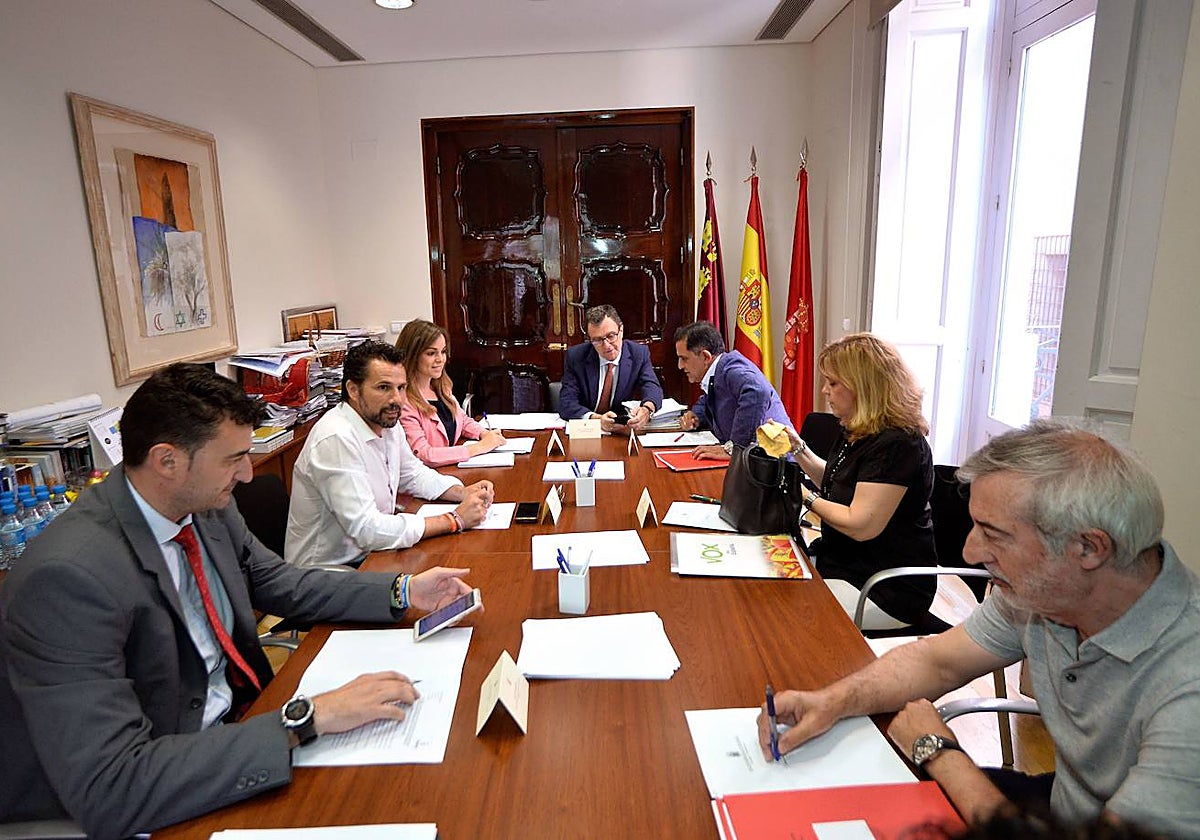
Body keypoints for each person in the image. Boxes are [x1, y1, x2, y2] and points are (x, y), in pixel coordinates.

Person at [0, 364, 474, 839]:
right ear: (168, 461)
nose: (248, 474)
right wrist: (308, 719)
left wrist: (404, 590)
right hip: (162, 786)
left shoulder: (203, 508)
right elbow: (114, 785)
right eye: (234, 459)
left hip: (241, 730)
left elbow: (282, 584)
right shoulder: (67, 579)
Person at [758, 419, 1200, 839]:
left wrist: (938, 751)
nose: (969, 552)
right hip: (1066, 804)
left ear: (1087, 547)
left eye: (994, 533)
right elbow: (937, 661)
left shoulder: (1188, 689)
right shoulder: (1048, 596)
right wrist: (832, 701)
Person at [285, 341, 495, 567]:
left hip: (372, 554)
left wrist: (461, 492)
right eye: (384, 387)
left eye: (401, 388)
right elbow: (367, 529)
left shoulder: (387, 423)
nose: (397, 400)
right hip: (330, 572)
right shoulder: (336, 438)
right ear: (353, 390)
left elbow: (412, 474)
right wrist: (453, 520)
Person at [783, 332, 937, 627]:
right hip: (843, 564)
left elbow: (860, 524)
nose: (825, 391)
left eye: (833, 383)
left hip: (885, 587)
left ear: (863, 387)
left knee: (788, 611)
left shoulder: (899, 444)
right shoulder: (858, 427)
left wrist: (803, 494)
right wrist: (798, 449)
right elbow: (839, 480)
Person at [674, 320, 792, 460]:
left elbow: (758, 391)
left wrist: (734, 448)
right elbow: (710, 397)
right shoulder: (718, 371)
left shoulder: (731, 370)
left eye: (684, 359)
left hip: (774, 466)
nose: (680, 366)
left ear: (705, 356)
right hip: (755, 464)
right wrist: (697, 416)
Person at [396, 319, 506, 467]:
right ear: (412, 355)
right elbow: (424, 455)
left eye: (443, 352)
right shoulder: (403, 402)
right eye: (431, 353)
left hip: (451, 471)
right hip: (426, 480)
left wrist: (483, 433)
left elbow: (462, 420)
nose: (440, 359)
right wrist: (479, 447)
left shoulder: (441, 388)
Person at [558, 304, 664, 434]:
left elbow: (652, 386)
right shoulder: (576, 357)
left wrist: (647, 410)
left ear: (621, 330)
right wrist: (596, 419)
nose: (606, 345)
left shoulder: (638, 354)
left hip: (622, 430)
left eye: (611, 336)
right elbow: (566, 403)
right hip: (587, 432)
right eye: (597, 340)